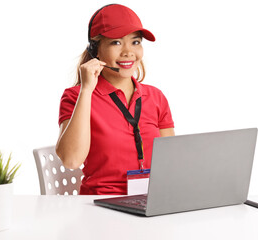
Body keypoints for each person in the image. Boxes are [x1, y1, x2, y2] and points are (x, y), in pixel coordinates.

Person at [56, 4, 175, 195]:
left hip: (151, 201)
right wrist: (86, 90)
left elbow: (172, 161)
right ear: (96, 50)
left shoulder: (156, 97)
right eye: (116, 43)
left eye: (135, 42)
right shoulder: (76, 96)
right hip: (101, 207)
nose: (128, 52)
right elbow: (71, 160)